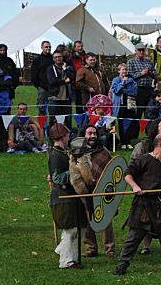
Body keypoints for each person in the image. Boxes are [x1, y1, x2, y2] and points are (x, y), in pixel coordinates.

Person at [112, 133, 161, 274]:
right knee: (134, 238)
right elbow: (127, 174)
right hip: (144, 206)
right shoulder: (144, 160)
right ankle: (121, 266)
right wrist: (135, 186)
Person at [68, 124, 117, 257]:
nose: (93, 136)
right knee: (87, 219)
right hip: (85, 191)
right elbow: (74, 172)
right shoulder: (77, 152)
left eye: (94, 133)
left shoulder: (103, 151)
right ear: (84, 135)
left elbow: (111, 170)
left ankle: (110, 248)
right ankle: (90, 248)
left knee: (105, 219)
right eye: (89, 133)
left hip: (102, 190)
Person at [47, 122, 85, 268]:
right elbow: (57, 178)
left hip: (70, 194)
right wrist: (75, 171)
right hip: (62, 196)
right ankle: (66, 261)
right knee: (70, 230)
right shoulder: (55, 155)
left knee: (76, 228)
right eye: (67, 135)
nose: (69, 137)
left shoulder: (63, 152)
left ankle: (67, 254)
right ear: (62, 136)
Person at [44, 50, 75, 132]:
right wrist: (64, 81)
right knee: (53, 120)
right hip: (54, 99)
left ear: (62, 57)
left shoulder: (67, 67)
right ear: (53, 59)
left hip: (66, 99)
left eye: (59, 56)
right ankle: (52, 141)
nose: (58, 58)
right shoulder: (50, 69)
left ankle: (68, 140)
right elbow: (52, 81)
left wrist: (65, 70)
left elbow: (72, 78)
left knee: (68, 121)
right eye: (55, 57)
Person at [110, 63, 139, 149]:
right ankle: (123, 142)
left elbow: (134, 91)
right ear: (119, 71)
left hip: (130, 104)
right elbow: (116, 91)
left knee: (130, 123)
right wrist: (123, 82)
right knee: (121, 124)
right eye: (123, 70)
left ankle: (128, 141)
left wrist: (124, 90)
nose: (124, 71)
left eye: (126, 70)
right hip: (120, 105)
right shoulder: (115, 80)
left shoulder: (131, 80)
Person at [127, 43, 157, 120]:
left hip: (149, 89)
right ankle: (136, 129)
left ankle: (149, 130)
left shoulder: (148, 61)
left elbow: (155, 74)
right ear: (135, 51)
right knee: (137, 113)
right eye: (139, 50)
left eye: (143, 50)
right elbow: (130, 77)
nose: (141, 52)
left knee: (150, 112)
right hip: (137, 90)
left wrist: (150, 73)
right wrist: (141, 73)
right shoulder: (131, 62)